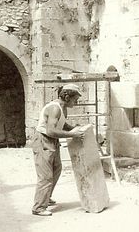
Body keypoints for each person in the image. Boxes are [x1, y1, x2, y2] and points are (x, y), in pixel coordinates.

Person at [32, 84, 85, 216]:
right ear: (67, 97)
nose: (76, 102)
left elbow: (62, 124)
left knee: (57, 168)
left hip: (52, 140)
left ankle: (46, 197)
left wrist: (72, 128)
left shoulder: (63, 108)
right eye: (75, 99)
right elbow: (51, 130)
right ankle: (38, 207)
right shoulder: (54, 108)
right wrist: (73, 134)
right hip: (43, 140)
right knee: (46, 175)